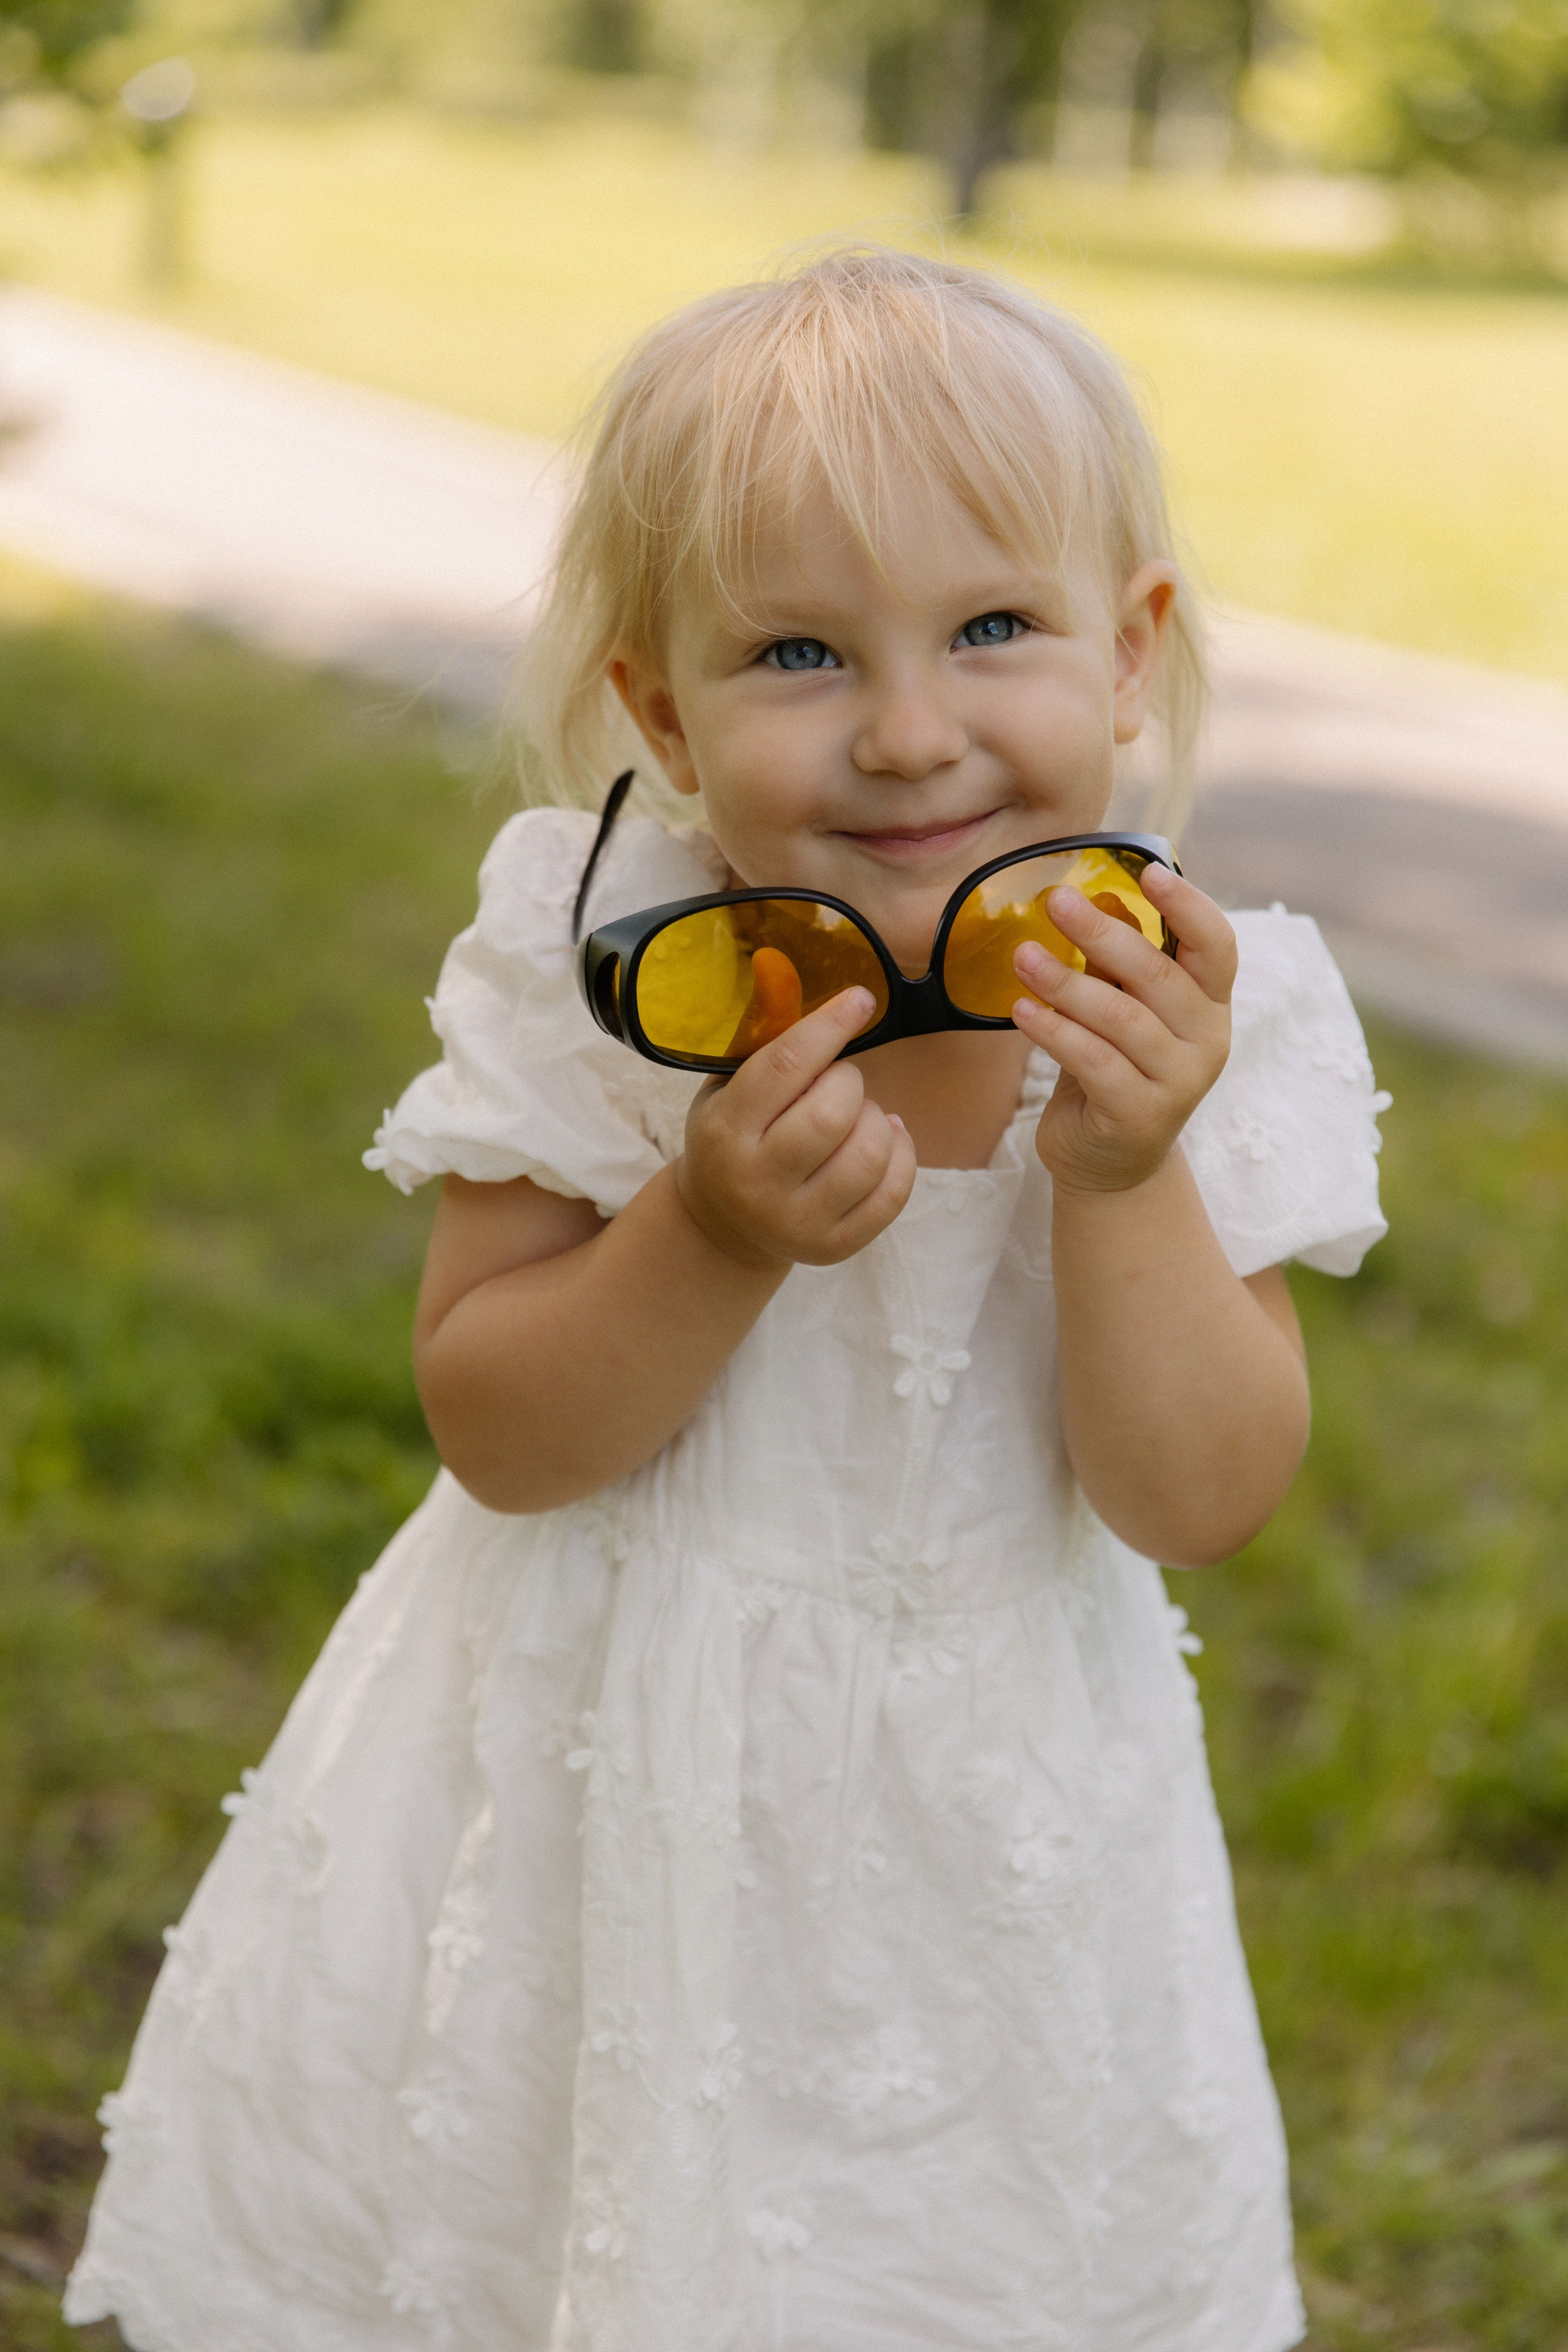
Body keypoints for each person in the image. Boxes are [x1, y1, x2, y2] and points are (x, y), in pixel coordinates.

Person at [67, 249, 1388, 2352]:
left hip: (999, 1827)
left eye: (990, 627)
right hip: (607, 1779)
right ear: (666, 710)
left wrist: (1123, 1176)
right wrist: (712, 1232)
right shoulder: (605, 971)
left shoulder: (1190, 1007)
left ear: (1128, 651)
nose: (909, 728)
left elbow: (1199, 1495)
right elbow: (502, 1431)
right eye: (797, 651)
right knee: (545, 2247)